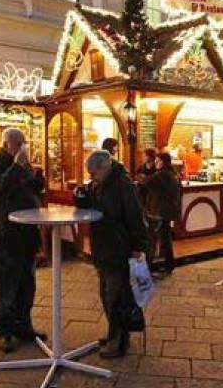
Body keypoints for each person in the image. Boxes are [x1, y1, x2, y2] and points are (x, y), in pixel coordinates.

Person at [75, 150, 147, 358]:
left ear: (105, 168)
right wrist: (80, 197)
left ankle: (118, 342)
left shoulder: (124, 185)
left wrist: (138, 246)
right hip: (103, 247)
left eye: (93, 173)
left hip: (118, 247)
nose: (91, 177)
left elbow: (135, 217)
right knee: (106, 294)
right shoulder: (99, 184)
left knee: (116, 296)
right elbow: (92, 206)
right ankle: (114, 334)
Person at [0, 128, 45, 353]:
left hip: (27, 234)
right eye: (19, 144)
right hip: (7, 235)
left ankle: (24, 325)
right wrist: (18, 167)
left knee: (26, 284)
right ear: (7, 144)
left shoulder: (20, 165)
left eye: (24, 143)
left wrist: (37, 177)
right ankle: (5, 331)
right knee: (7, 286)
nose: (22, 148)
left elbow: (34, 188)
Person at [142, 152, 181, 276]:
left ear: (162, 162)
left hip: (160, 211)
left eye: (157, 161)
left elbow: (145, 183)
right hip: (167, 211)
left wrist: (142, 177)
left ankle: (166, 266)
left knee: (161, 240)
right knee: (165, 239)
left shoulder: (161, 175)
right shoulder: (172, 174)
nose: (155, 163)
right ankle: (167, 265)